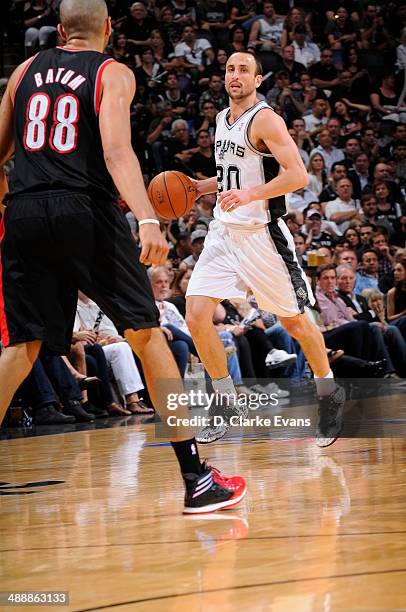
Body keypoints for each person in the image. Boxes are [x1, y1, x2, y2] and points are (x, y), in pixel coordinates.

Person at [0, 0, 246, 514]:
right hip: (84, 210)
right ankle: (196, 479)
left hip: (22, 210)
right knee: (147, 334)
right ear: (109, 29)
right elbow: (116, 151)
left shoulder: (23, 71)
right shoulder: (112, 72)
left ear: (61, 30)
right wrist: (148, 218)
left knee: (21, 347)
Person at [185, 51, 346, 448]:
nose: (235, 75)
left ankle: (329, 393)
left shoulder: (266, 118)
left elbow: (297, 174)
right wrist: (199, 187)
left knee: (293, 322)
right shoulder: (223, 119)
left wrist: (250, 194)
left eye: (244, 70)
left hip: (262, 235)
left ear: (258, 80)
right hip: (224, 233)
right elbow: (229, 177)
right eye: (230, 69)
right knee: (196, 315)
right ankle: (224, 401)